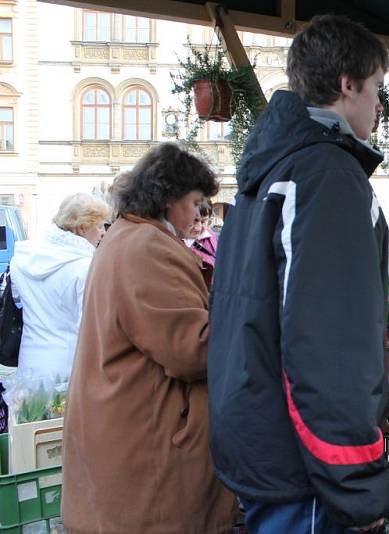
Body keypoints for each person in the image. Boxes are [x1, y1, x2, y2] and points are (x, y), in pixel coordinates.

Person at [207, 15, 389, 533]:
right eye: (377, 88)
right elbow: (327, 344)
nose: (380, 104)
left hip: (262, 441)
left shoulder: (270, 168)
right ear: (347, 84)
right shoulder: (325, 175)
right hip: (304, 465)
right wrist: (355, 482)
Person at [61, 143, 237, 532]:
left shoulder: (125, 238)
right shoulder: (147, 246)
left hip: (128, 431)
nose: (199, 213)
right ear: (169, 198)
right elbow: (193, 350)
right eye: (195, 202)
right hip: (150, 446)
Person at [10, 192, 109, 379]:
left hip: (30, 361)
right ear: (81, 228)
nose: (103, 231)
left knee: (31, 409)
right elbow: (90, 330)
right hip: (70, 367)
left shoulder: (22, 259)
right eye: (99, 225)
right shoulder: (85, 267)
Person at [185, 198, 218, 286]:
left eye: (204, 221)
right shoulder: (172, 241)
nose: (199, 228)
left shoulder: (212, 236)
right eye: (194, 221)